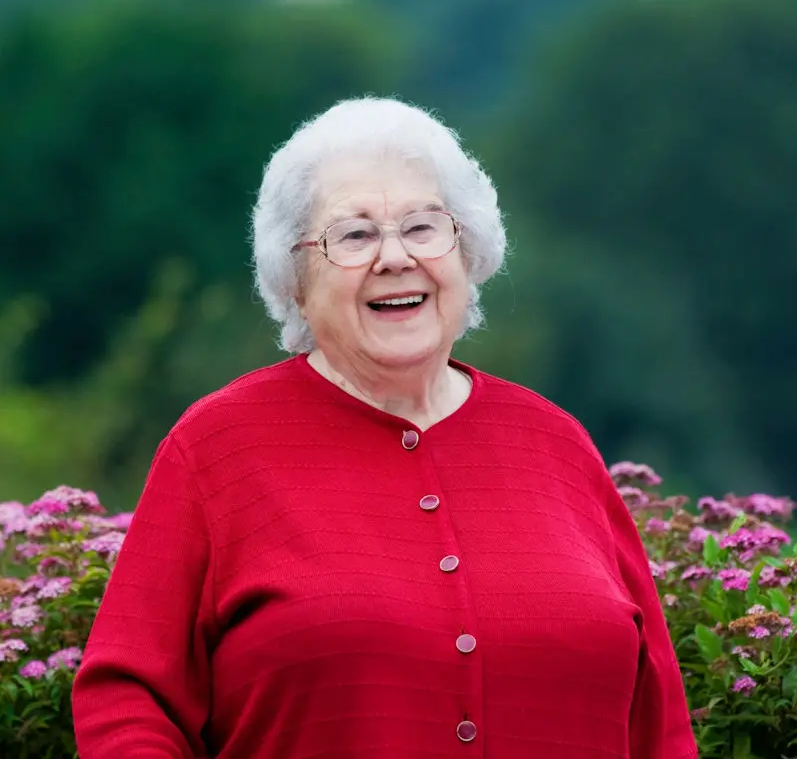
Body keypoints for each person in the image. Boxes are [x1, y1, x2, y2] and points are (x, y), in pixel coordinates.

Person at [72, 97, 697, 759]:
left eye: (424, 227)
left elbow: (660, 725)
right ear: (295, 282)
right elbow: (128, 697)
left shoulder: (557, 445)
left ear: (468, 251)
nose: (395, 257)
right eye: (355, 235)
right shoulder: (217, 448)